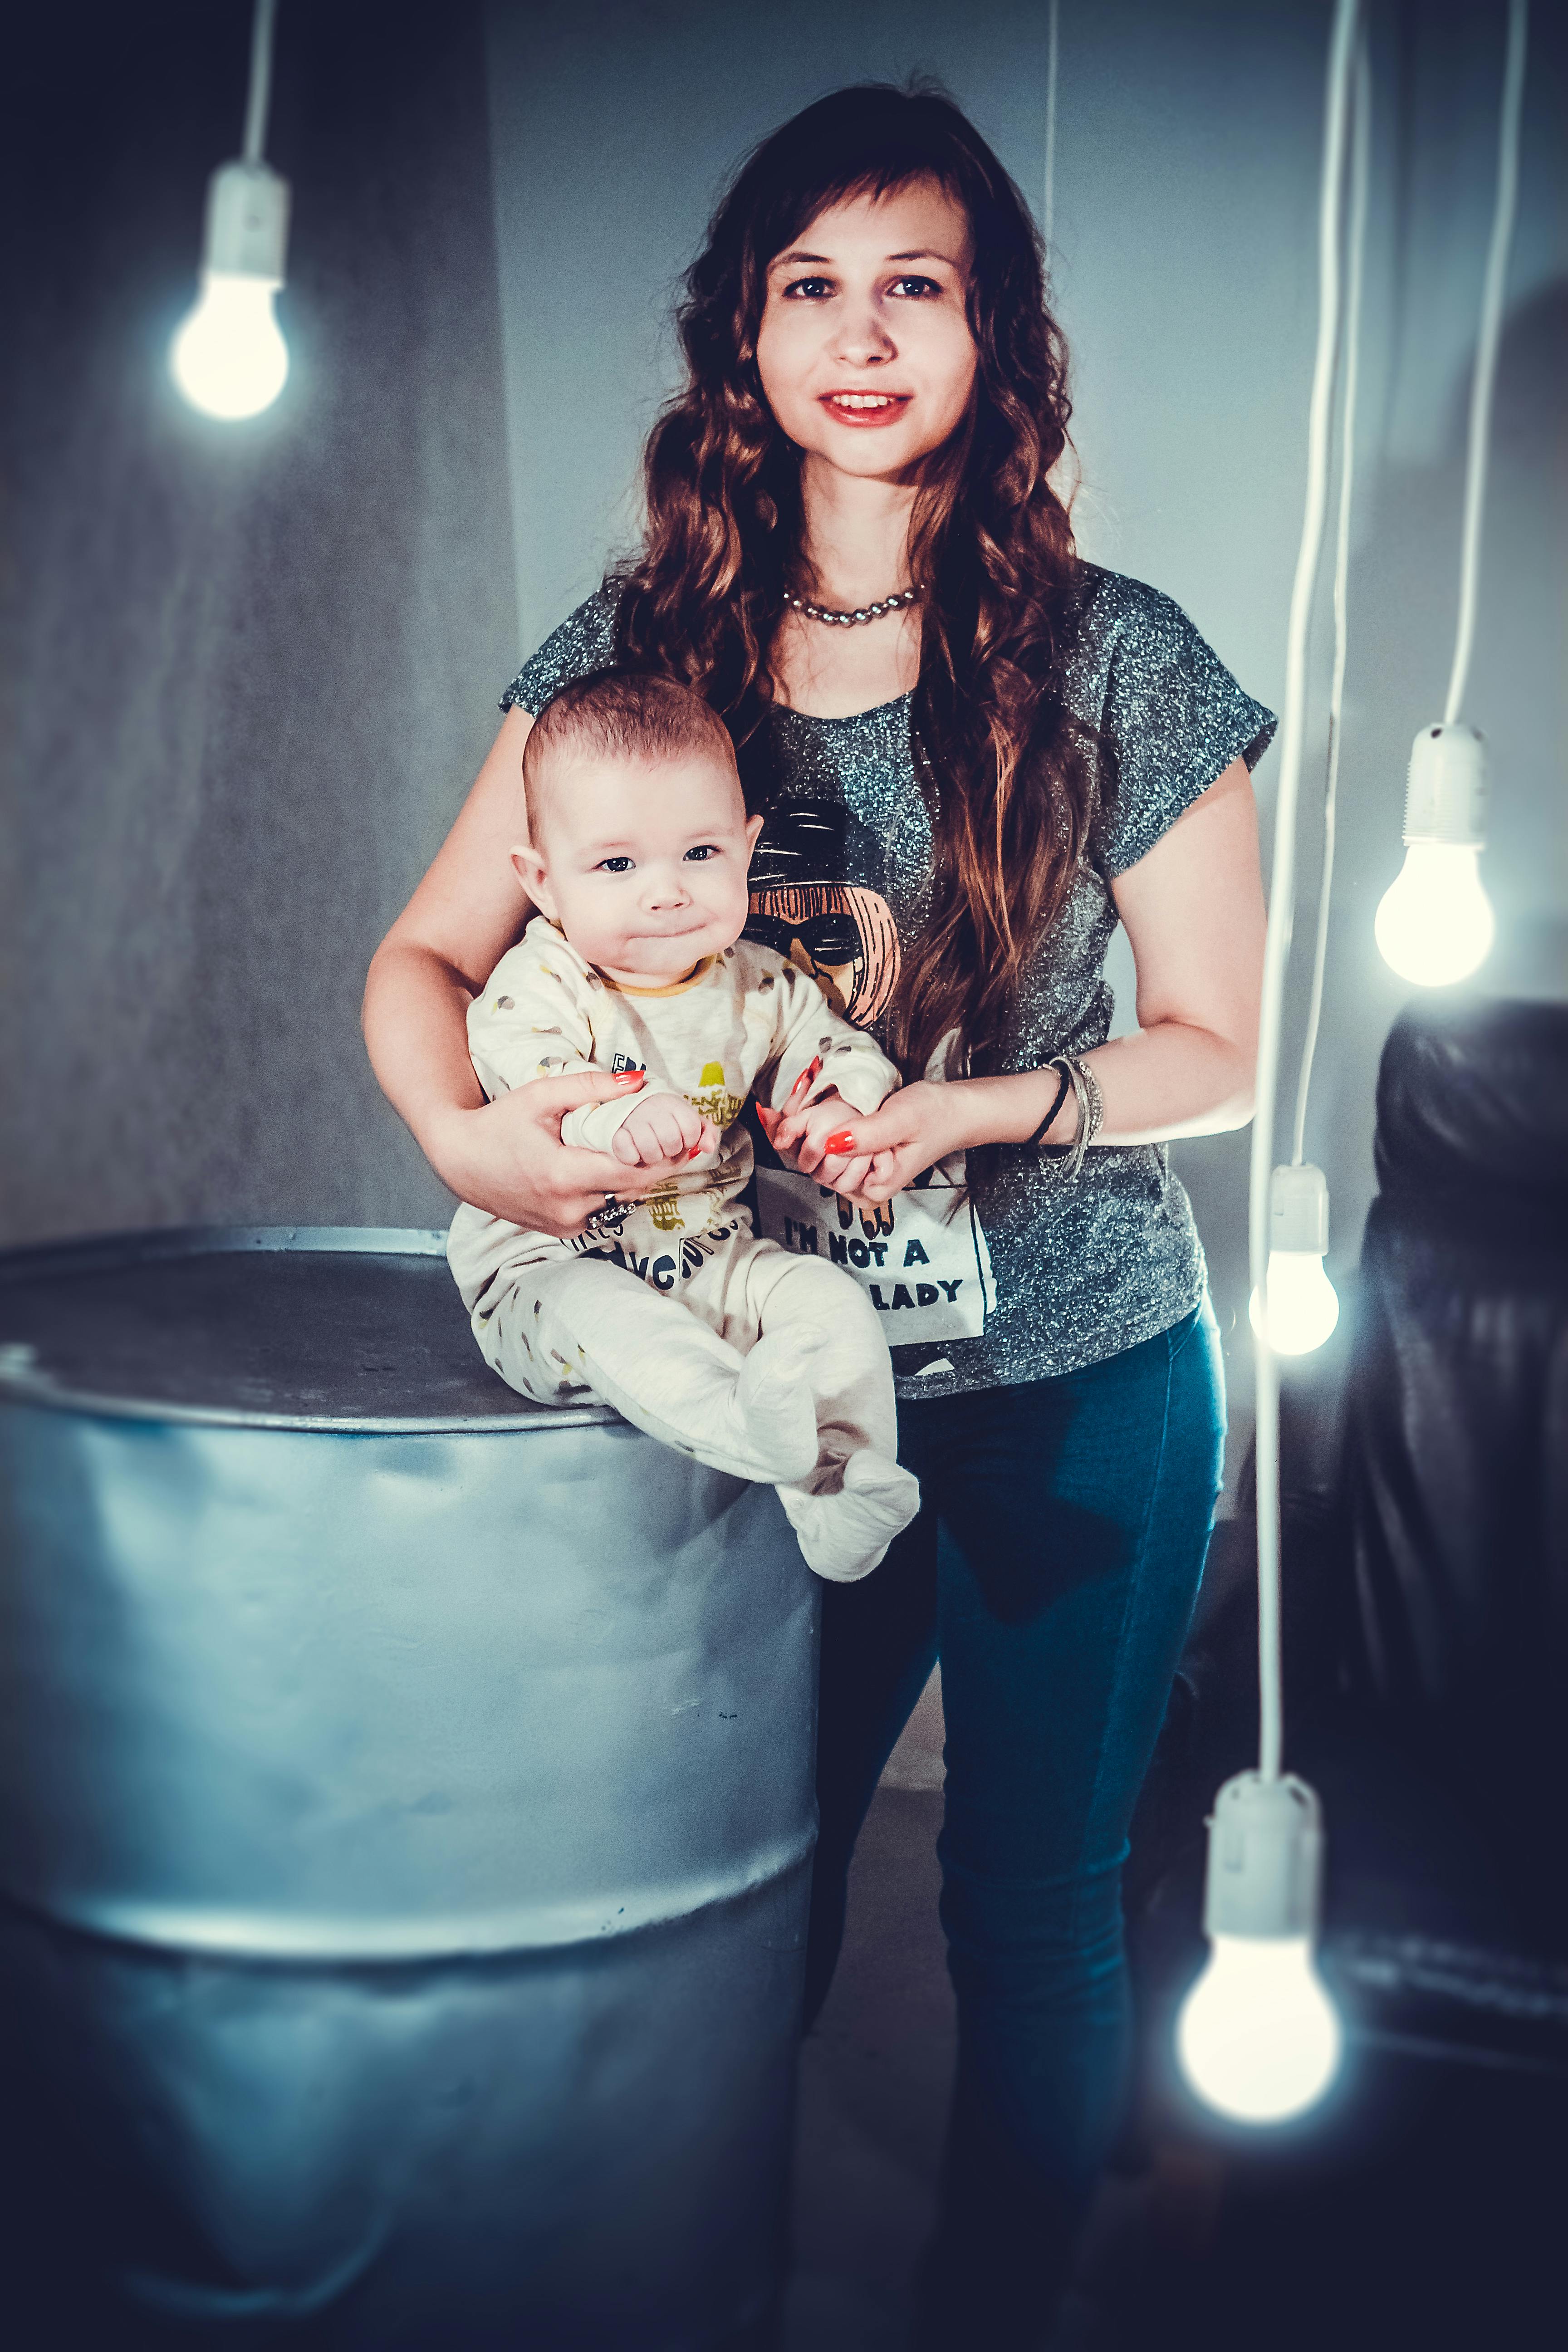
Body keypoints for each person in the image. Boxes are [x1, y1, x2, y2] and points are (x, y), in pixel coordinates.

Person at [363, 81, 1271, 2346]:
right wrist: (469, 1148)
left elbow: (1216, 1044)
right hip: (757, 1374)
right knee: (728, 1893)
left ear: (992, 338)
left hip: (1075, 1382)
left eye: (915, 287)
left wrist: (975, 1104)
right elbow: (419, 963)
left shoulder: (1117, 656)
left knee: (1026, 1905)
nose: (858, 337)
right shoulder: (632, 655)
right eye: (808, 287)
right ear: (740, 336)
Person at [446, 666, 919, 1583]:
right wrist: (618, 1114)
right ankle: (746, 1428)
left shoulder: (758, 983)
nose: (665, 892)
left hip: (712, 1255)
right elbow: (527, 1066)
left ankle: (840, 1492)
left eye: (700, 855)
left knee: (830, 1307)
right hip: (555, 1272)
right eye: (617, 865)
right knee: (615, 1320)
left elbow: (837, 1046)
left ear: (746, 849)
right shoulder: (543, 983)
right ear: (543, 884)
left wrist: (840, 1108)